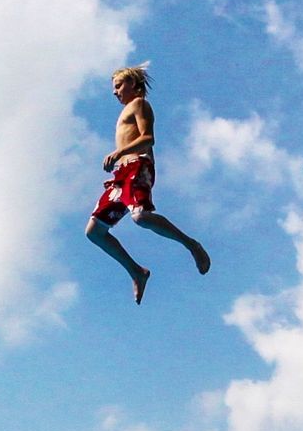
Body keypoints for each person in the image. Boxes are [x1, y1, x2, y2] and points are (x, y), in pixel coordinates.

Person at [85, 63, 210, 304]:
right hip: (122, 175)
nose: (115, 92)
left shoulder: (139, 105)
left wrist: (119, 152)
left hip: (138, 166)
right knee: (94, 232)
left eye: (119, 85)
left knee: (140, 217)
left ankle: (191, 244)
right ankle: (136, 271)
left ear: (134, 84)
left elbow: (148, 138)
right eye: (114, 87)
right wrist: (118, 171)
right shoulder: (125, 111)